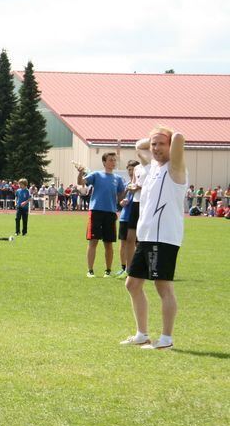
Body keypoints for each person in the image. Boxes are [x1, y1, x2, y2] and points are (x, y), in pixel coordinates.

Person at [122, 128, 188, 350]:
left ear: (170, 146)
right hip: (147, 237)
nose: (156, 148)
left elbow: (179, 137)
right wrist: (152, 139)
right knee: (132, 284)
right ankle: (142, 334)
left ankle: (166, 340)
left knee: (163, 288)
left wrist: (163, 132)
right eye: (154, 145)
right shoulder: (152, 170)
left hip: (164, 237)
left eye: (161, 144)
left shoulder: (175, 168)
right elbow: (138, 145)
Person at [77, 152, 125, 277]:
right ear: (104, 162)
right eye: (110, 160)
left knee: (108, 243)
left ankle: (107, 271)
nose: (113, 162)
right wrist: (80, 172)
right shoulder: (96, 175)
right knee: (93, 241)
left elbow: (121, 194)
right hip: (96, 212)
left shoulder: (118, 179)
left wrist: (123, 200)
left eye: (114, 160)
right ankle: (90, 270)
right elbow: (81, 181)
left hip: (110, 213)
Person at [116, 158, 145, 277]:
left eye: (132, 169)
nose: (130, 172)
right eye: (129, 170)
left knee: (138, 243)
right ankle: (124, 268)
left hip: (138, 216)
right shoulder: (127, 184)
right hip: (125, 217)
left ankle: (137, 267)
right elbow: (120, 198)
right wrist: (122, 201)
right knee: (124, 243)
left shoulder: (142, 184)